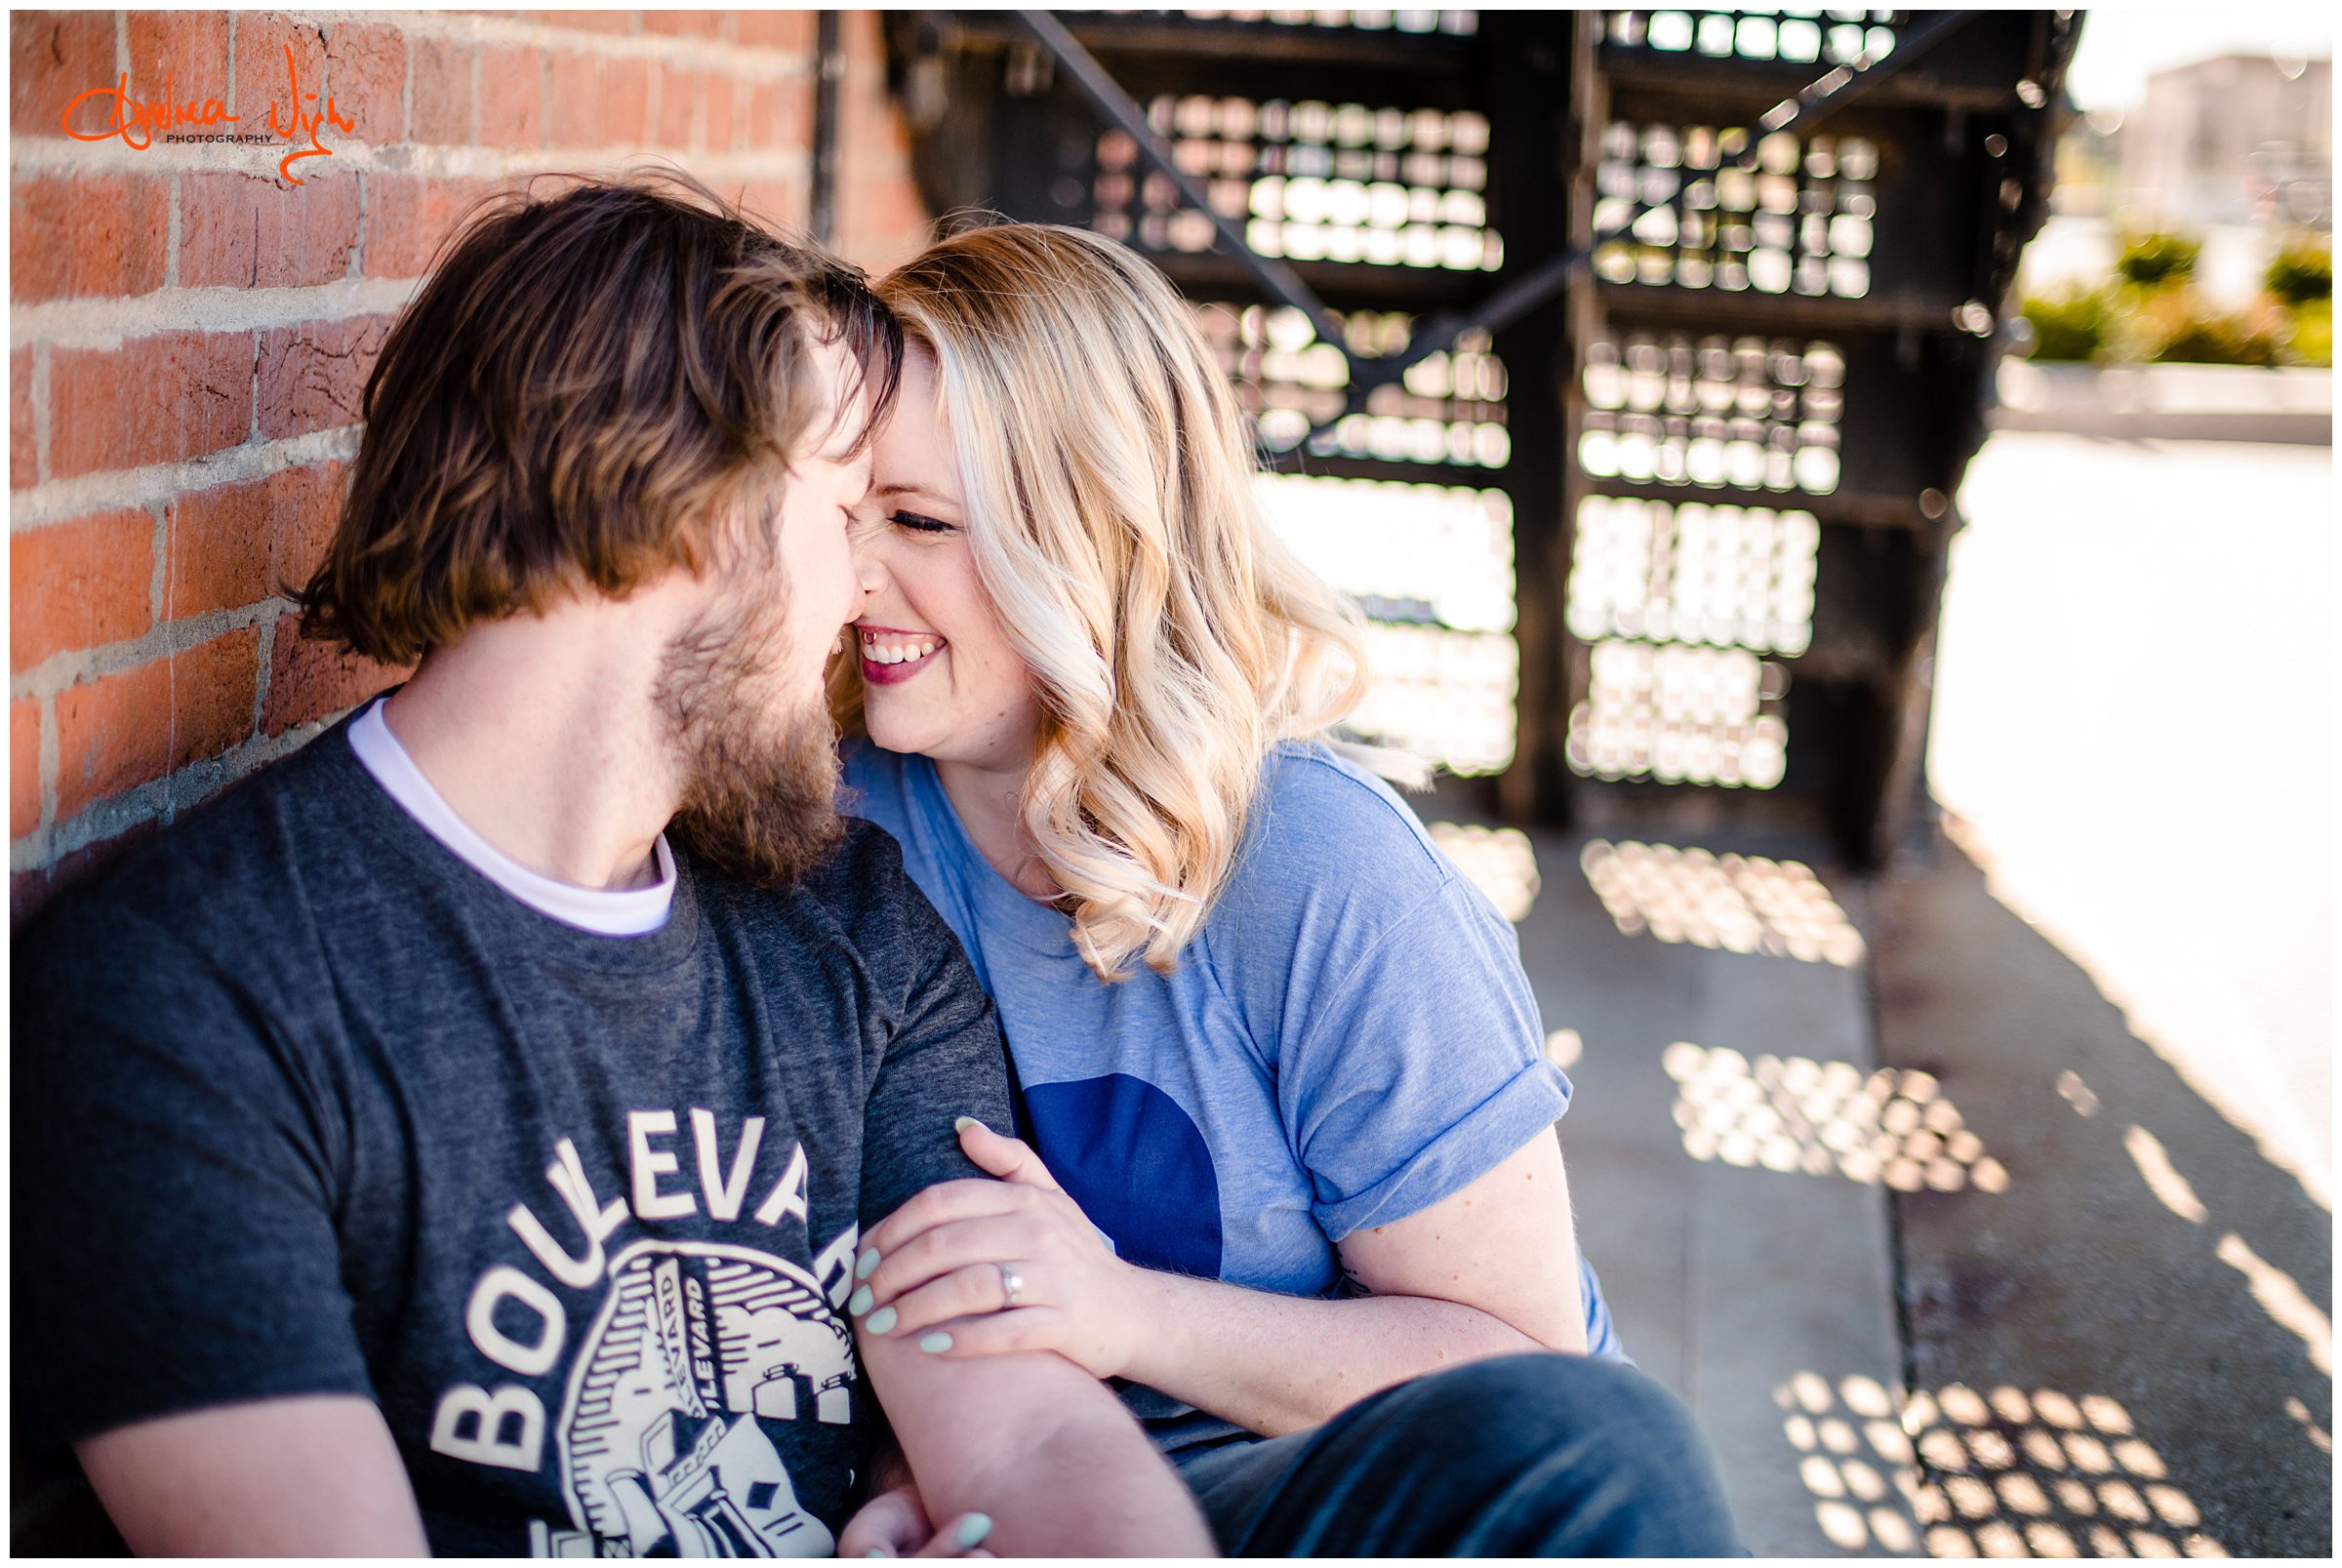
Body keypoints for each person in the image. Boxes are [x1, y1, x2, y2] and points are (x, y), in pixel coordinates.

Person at [10, 178, 1213, 1559]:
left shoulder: (853, 928)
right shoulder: (177, 1008)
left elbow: (1034, 1437)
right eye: (837, 515)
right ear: (684, 522)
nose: (856, 595)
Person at [828, 221, 1746, 1556]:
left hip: (1290, 1496)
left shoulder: (1317, 869)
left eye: (914, 521)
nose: (857, 576)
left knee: (1611, 1454)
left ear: (1089, 530)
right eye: (841, 514)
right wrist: (903, 1468)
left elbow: (1521, 1356)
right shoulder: (832, 819)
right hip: (1012, 1498)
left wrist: (1125, 1312)